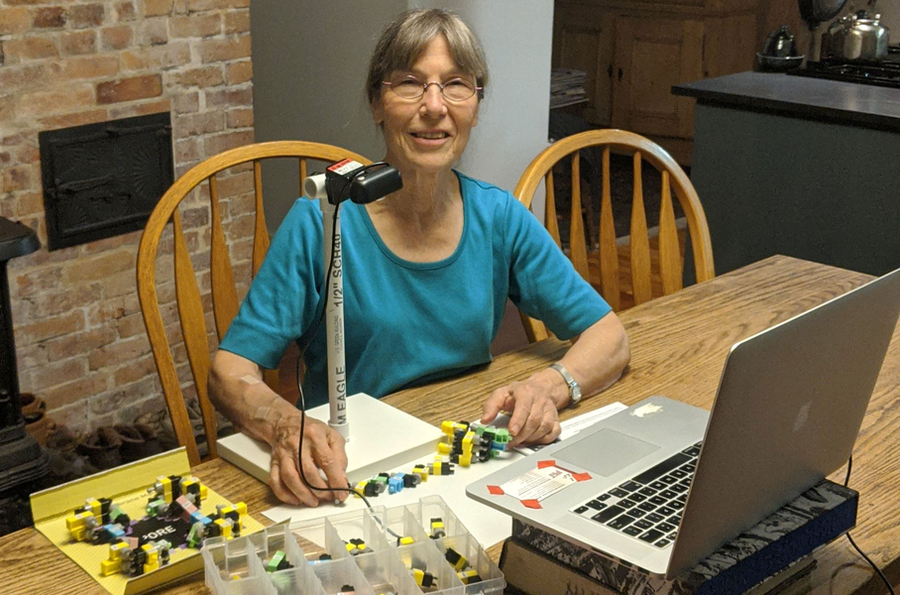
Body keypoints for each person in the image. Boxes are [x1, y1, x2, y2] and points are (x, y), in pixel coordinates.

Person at [208, 9, 630, 508]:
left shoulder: (497, 216)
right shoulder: (322, 221)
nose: (434, 106)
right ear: (377, 103)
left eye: (456, 85)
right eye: (409, 84)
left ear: (476, 105)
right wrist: (284, 424)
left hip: (464, 454)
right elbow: (229, 371)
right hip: (351, 470)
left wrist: (551, 384)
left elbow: (609, 336)